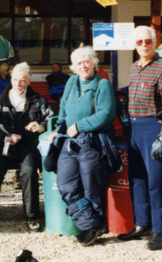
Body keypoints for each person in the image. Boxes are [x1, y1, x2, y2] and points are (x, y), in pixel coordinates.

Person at [117, 26, 162, 251]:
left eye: (148, 41)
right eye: (140, 42)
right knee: (137, 180)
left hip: (153, 128)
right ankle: (142, 224)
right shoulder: (135, 68)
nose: (144, 45)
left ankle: (160, 231)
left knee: (155, 183)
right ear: (134, 45)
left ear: (156, 42)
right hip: (133, 129)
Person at [48, 46, 116, 247]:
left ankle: (90, 228)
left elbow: (106, 115)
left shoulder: (103, 85)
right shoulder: (70, 83)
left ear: (94, 63)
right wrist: (59, 129)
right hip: (70, 142)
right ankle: (93, 223)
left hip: (92, 142)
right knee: (65, 184)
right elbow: (62, 112)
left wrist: (79, 126)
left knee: (91, 185)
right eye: (79, 63)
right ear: (73, 67)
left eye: (87, 61)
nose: (83, 65)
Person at [0, 62, 53, 232]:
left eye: (23, 81)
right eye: (15, 80)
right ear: (10, 79)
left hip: (28, 146)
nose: (19, 84)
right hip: (3, 146)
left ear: (29, 80)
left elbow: (52, 120)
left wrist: (42, 126)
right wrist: (5, 137)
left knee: (29, 172)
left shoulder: (38, 100)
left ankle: (32, 215)